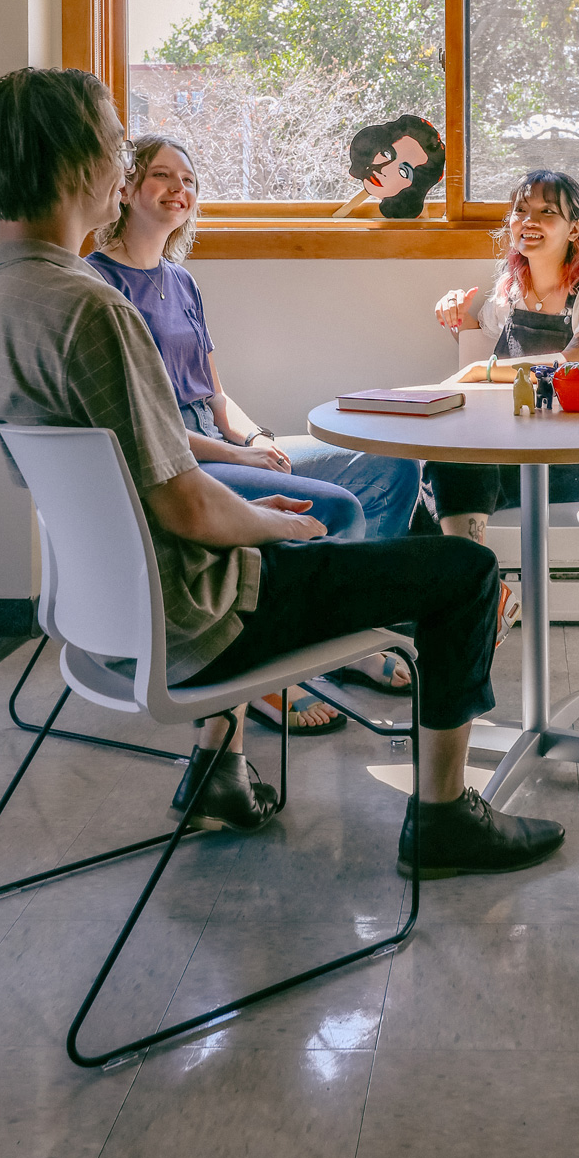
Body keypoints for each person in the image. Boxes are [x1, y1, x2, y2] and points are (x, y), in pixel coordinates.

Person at [0, 65, 566, 880]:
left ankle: (219, 773)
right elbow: (187, 509)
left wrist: (248, 504)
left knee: (315, 522)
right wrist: (274, 522)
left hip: (105, 611)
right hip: (198, 616)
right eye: (114, 145)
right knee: (465, 568)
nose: (123, 161)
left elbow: (142, 485)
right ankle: (444, 818)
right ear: (79, 163)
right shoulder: (92, 308)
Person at [88, 133, 414, 735]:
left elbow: (214, 392)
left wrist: (256, 438)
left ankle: (342, 641)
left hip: (219, 439)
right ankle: (273, 671)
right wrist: (238, 454)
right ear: (127, 188)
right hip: (177, 457)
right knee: (336, 505)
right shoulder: (100, 286)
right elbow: (149, 428)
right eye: (162, 177)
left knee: (389, 467)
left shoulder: (181, 282)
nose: (178, 191)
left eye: (188, 182)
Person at [425, 171, 579, 542]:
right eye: (521, 210)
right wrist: (455, 307)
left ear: (574, 229)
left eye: (547, 212)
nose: (529, 221)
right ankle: (475, 587)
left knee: (450, 471)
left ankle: (476, 584)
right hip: (508, 444)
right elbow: (477, 332)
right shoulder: (511, 287)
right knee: (429, 471)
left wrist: (480, 371)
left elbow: (575, 360)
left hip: (571, 458)